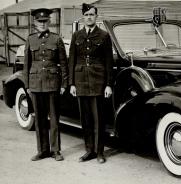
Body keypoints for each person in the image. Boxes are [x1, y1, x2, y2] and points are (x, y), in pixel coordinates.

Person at [68, 3, 114, 164]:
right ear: (83, 17)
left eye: (92, 14)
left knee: (99, 120)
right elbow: (72, 60)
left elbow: (109, 62)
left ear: (96, 16)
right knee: (85, 119)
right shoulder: (76, 35)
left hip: (98, 82)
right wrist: (72, 83)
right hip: (80, 82)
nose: (89, 17)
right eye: (86, 15)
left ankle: (100, 152)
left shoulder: (104, 36)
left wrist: (108, 84)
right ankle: (89, 151)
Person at [24, 8, 68, 161]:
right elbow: (26, 64)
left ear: (49, 22)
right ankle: (42, 150)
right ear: (35, 22)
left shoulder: (56, 39)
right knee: (40, 119)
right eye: (39, 21)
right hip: (36, 84)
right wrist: (27, 85)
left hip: (52, 83)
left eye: (45, 21)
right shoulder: (30, 39)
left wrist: (64, 84)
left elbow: (63, 63)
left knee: (54, 118)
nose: (42, 24)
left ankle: (55, 150)